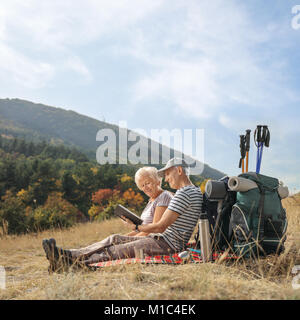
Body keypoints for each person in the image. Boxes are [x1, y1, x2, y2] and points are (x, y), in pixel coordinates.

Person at [43, 158, 203, 269]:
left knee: (115, 251)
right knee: (114, 239)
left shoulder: (183, 193)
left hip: (165, 244)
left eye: (167, 174)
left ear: (180, 170)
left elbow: (160, 227)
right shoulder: (192, 191)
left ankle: (70, 261)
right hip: (163, 241)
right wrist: (135, 228)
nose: (166, 179)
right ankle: (68, 255)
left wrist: (135, 226)